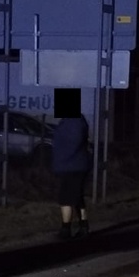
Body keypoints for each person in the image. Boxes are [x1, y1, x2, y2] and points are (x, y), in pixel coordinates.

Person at [51, 97, 90, 239]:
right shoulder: (75, 120)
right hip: (75, 164)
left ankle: (65, 229)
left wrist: (63, 157)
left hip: (71, 166)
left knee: (65, 198)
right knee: (77, 196)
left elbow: (72, 141)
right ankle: (84, 226)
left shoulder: (73, 121)